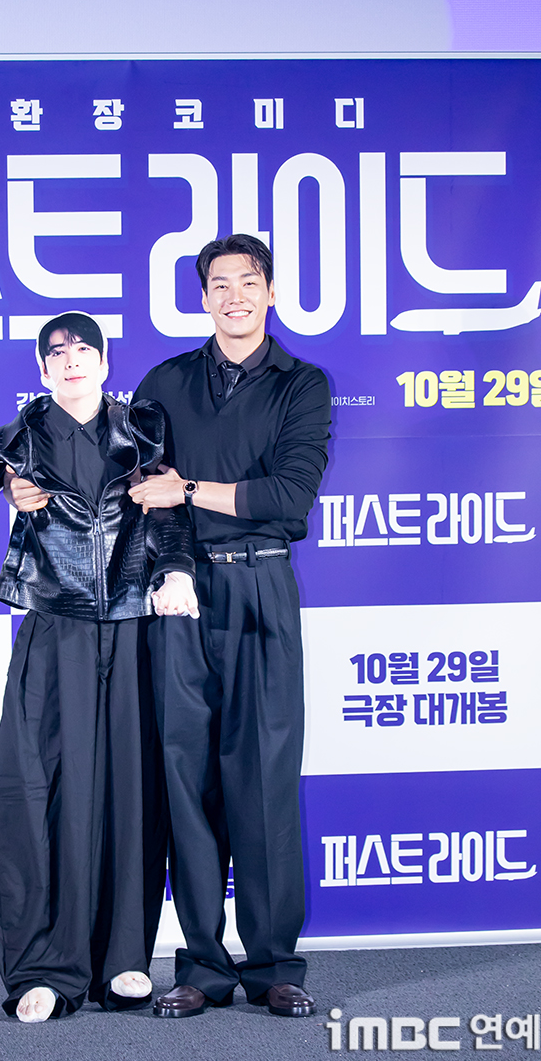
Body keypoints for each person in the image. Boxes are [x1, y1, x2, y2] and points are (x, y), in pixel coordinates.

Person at [0, 311, 197, 1023]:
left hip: (131, 624)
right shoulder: (26, 433)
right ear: (42, 370)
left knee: (130, 786)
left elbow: (166, 512)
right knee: (40, 785)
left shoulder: (144, 429)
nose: (71, 359)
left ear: (104, 363)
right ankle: (44, 968)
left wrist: (178, 570)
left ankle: (125, 958)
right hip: (54, 622)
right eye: (57, 352)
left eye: (83, 349)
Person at [128, 234, 331, 1018]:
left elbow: (288, 496)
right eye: (219, 284)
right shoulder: (164, 382)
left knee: (266, 777)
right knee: (188, 777)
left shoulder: (301, 384)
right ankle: (203, 967)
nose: (234, 295)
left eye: (249, 282)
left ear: (271, 293)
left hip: (261, 588)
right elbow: (141, 490)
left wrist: (189, 488)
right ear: (203, 296)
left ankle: (275, 964)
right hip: (181, 592)